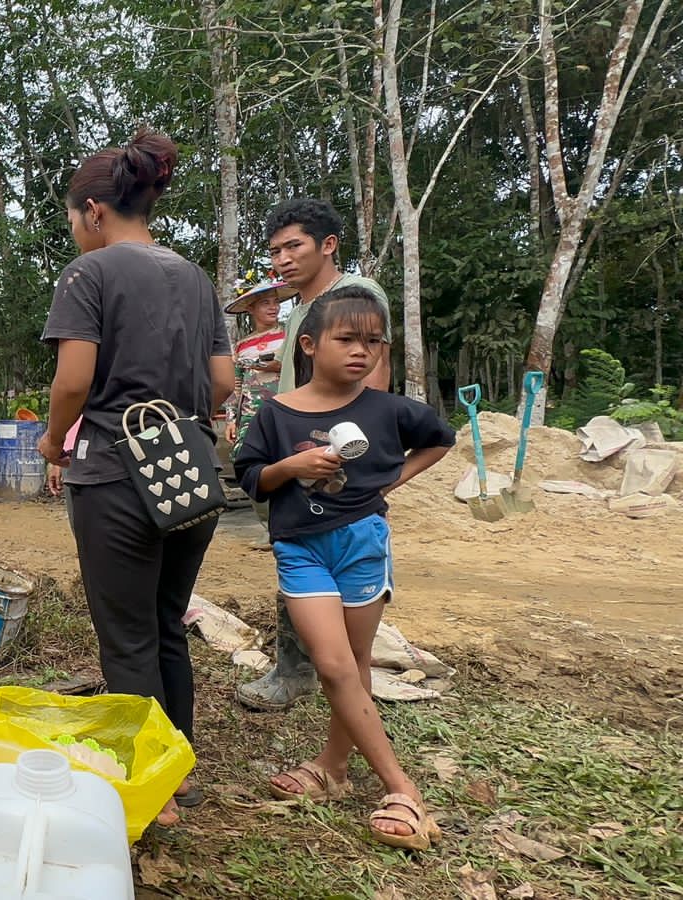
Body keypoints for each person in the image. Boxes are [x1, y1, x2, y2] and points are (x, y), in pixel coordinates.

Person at [37, 129, 233, 826]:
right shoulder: (196, 277)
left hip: (116, 472)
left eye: (70, 218)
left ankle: (149, 793)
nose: (74, 231)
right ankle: (177, 769)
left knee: (126, 637)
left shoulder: (87, 275)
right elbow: (223, 382)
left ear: (94, 210)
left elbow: (74, 381)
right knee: (166, 624)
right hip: (192, 471)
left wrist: (54, 440)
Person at [232, 286, 453, 850]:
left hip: (362, 545)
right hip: (301, 548)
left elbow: (440, 440)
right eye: (347, 338)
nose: (362, 351)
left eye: (373, 341)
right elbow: (251, 478)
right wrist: (292, 464)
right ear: (308, 344)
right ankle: (402, 788)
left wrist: (394, 479)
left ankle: (332, 768)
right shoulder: (276, 414)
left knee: (352, 664)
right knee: (332, 666)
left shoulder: (388, 409)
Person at [240, 199, 394, 712]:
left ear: (328, 245)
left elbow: (371, 375)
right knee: (293, 548)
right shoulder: (301, 308)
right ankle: (305, 666)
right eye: (274, 251)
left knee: (316, 551)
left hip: (332, 456)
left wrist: (356, 455)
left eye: (293, 246)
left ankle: (318, 672)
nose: (281, 260)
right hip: (298, 449)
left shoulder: (353, 296)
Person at [223, 280, 293, 452]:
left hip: (286, 406)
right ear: (251, 309)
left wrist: (275, 366)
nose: (273, 307)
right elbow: (235, 384)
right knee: (244, 455)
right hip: (250, 412)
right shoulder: (242, 345)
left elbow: (301, 367)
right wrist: (231, 419)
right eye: (265, 303)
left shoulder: (289, 334)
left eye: (276, 302)